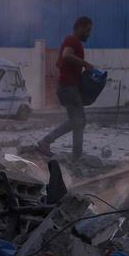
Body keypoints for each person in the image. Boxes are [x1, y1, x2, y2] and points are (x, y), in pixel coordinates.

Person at [36, 16, 94, 160]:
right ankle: (46, 141)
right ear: (79, 27)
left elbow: (58, 63)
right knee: (77, 121)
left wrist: (73, 71)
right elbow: (66, 56)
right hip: (69, 88)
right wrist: (84, 63)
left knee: (79, 121)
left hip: (68, 87)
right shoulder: (72, 41)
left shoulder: (70, 42)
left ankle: (76, 154)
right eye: (87, 31)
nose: (88, 34)